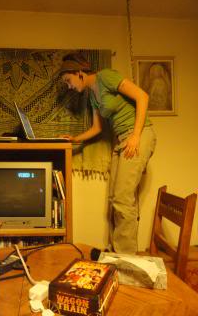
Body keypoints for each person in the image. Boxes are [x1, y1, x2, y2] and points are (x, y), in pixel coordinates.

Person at [59, 53, 156, 254]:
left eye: (68, 80)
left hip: (138, 135)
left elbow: (142, 96)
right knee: (114, 199)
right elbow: (97, 128)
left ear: (79, 73)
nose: (69, 86)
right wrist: (74, 139)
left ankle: (125, 258)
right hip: (121, 140)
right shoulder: (93, 95)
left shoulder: (106, 77)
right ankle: (116, 251)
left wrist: (136, 136)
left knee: (122, 199)